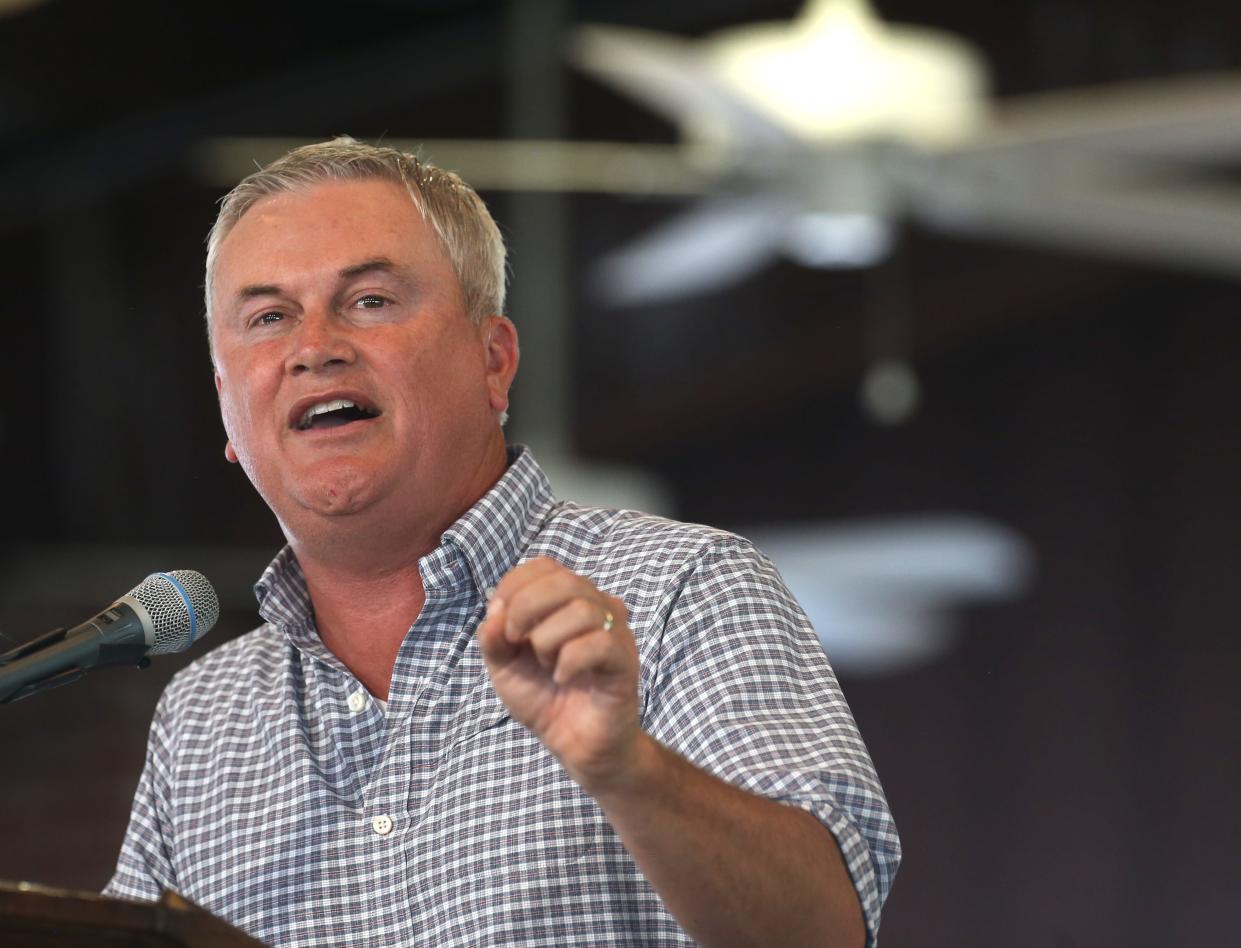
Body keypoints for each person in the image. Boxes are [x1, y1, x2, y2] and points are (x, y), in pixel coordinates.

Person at [106, 137, 900, 946]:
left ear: (493, 362)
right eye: (269, 317)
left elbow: (823, 933)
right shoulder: (202, 720)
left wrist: (625, 768)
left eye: (370, 300)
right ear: (227, 413)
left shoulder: (682, 589)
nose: (315, 348)